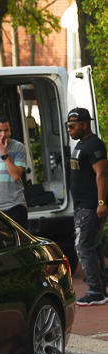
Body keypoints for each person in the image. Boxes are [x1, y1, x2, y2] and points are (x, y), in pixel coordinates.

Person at [67, 107, 108, 306]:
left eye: (72, 126)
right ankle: (100, 286)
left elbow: (102, 174)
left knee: (83, 247)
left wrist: (101, 202)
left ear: (84, 125)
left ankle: (94, 290)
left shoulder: (93, 144)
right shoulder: (82, 144)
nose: (69, 129)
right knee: (93, 246)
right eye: (67, 126)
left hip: (90, 206)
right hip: (82, 205)